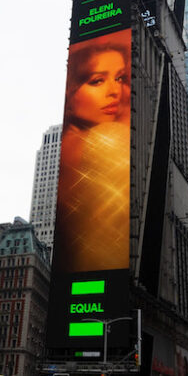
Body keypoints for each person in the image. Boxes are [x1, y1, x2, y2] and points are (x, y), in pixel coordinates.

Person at [55, 32, 131, 273]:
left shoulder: (85, 142)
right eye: (97, 80)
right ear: (71, 90)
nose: (114, 91)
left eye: (120, 78)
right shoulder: (108, 142)